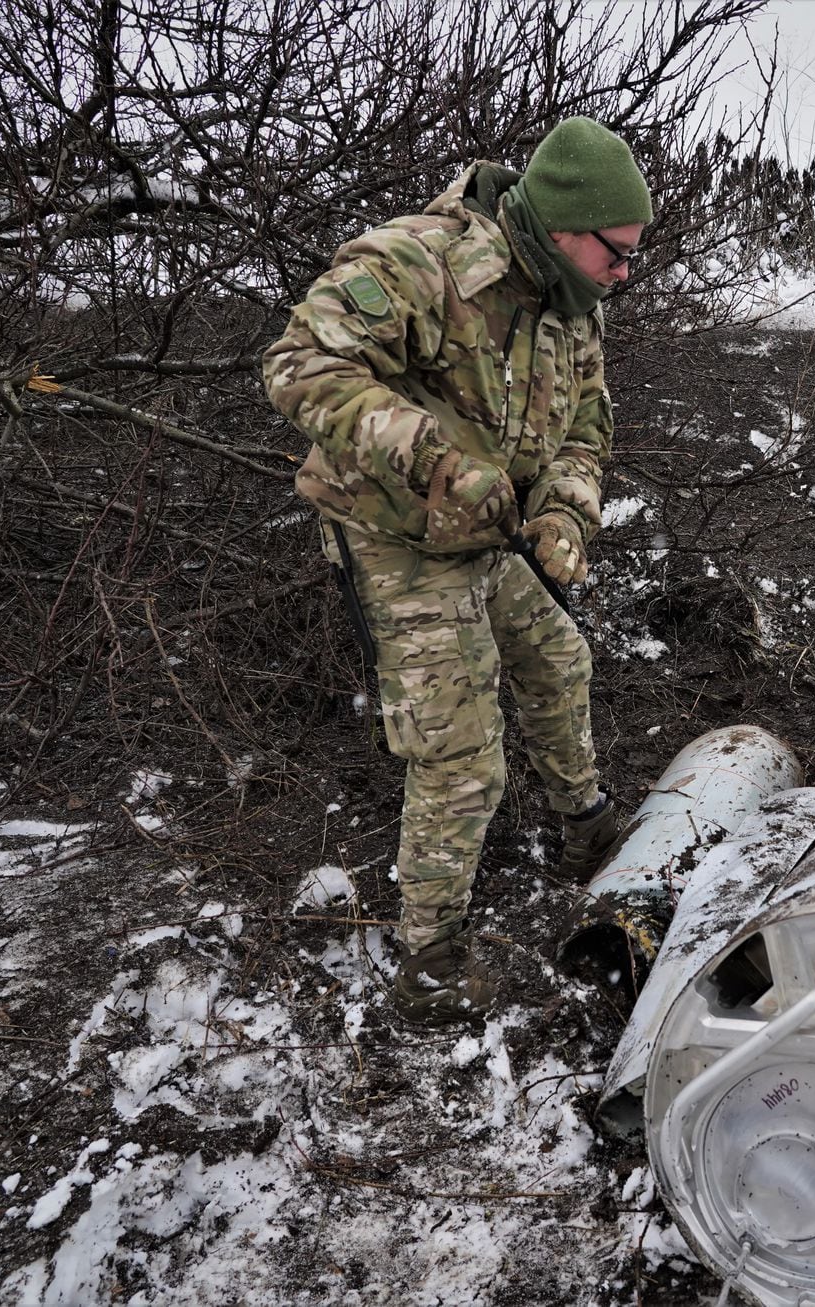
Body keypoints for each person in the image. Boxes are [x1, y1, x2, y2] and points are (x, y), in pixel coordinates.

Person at [263, 118, 648, 1020]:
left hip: (494, 532)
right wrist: (435, 457)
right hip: (397, 535)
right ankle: (430, 963)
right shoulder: (421, 263)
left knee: (560, 662)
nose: (626, 273)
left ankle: (587, 834)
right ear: (563, 227)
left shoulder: (573, 304)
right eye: (617, 253)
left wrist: (564, 510)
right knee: (461, 753)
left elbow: (589, 427)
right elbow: (296, 364)